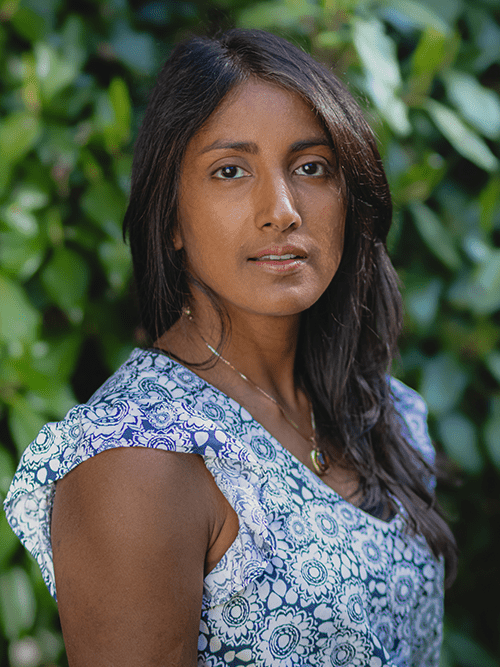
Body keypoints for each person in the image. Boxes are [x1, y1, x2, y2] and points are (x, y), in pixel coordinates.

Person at [4, 29, 456, 667]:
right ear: (171, 220)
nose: (282, 210)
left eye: (311, 167)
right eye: (230, 170)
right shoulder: (140, 459)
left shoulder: (386, 413)